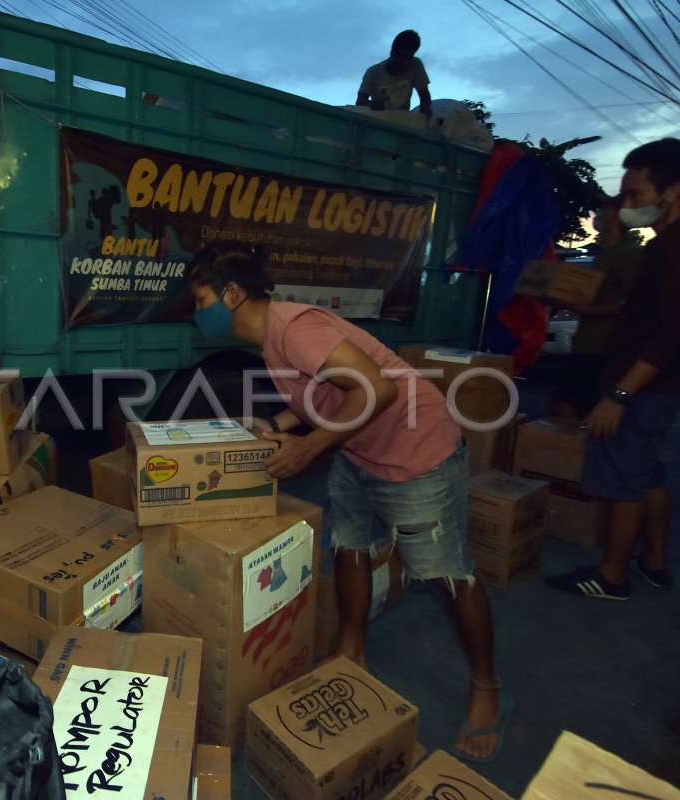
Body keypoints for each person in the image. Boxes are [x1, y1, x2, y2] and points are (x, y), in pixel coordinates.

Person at [186, 241, 509, 763]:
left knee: (447, 574)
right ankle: (351, 651)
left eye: (199, 300)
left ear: (231, 292)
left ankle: (488, 686)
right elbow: (327, 395)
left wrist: (308, 448)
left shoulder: (294, 328)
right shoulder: (271, 338)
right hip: (359, 449)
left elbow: (376, 389)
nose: (196, 314)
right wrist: (280, 425)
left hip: (415, 451)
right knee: (350, 545)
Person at [545, 138, 680, 600]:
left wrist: (619, 396)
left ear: (672, 191)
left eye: (636, 195)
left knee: (625, 481)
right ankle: (655, 562)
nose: (627, 205)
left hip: (645, 388)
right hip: (656, 386)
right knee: (648, 474)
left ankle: (612, 575)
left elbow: (670, 334)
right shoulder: (678, 241)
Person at [548, 198, 643, 419]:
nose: (598, 214)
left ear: (618, 216)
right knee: (566, 411)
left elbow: (630, 303)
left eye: (605, 209)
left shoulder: (630, 254)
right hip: (585, 347)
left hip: (602, 350)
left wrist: (585, 310)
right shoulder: (603, 255)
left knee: (569, 411)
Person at [356, 30, 432, 116]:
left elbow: (424, 94)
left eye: (409, 59)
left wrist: (425, 113)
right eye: (402, 59)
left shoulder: (416, 65)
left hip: (402, 120)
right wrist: (372, 104)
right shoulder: (372, 72)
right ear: (392, 52)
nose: (405, 64)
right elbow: (360, 101)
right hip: (378, 119)